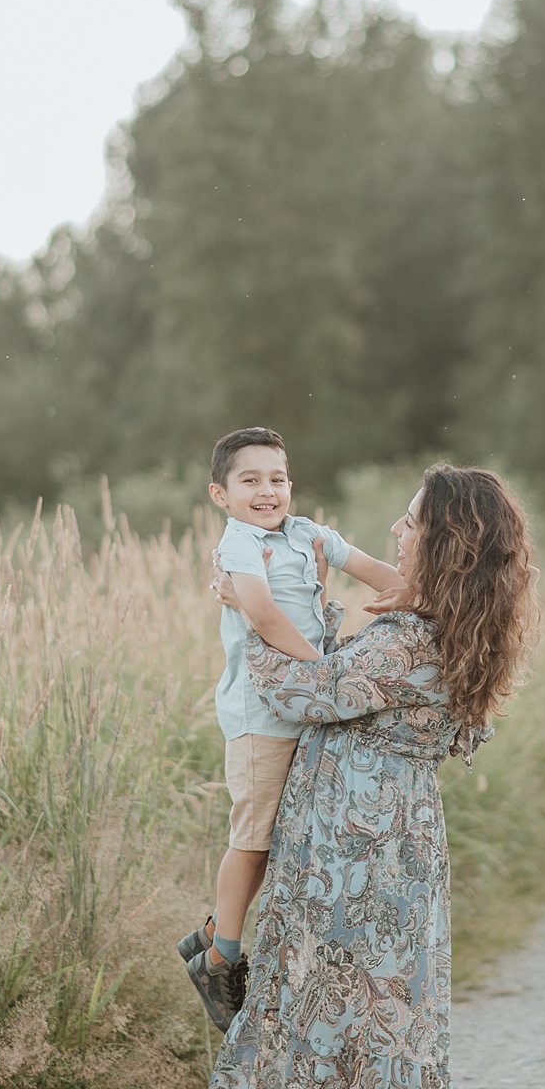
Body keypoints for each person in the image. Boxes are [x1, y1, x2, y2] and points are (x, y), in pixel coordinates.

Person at [185, 464, 537, 1089]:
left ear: (448, 542)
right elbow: (334, 682)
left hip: (376, 865)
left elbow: (308, 690)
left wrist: (252, 610)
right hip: (326, 856)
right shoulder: (418, 624)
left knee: (382, 1042)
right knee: (311, 1027)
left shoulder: (420, 638)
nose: (396, 533)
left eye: (411, 524)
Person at [179, 427, 408, 1032]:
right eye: (249, 480)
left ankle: (210, 933)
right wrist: (325, 673)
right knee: (253, 835)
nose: (266, 491)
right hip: (262, 715)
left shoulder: (307, 535)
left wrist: (423, 598)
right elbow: (261, 611)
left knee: (285, 839)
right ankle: (222, 956)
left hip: (305, 706)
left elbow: (377, 570)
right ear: (220, 494)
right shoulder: (238, 546)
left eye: (276, 478)